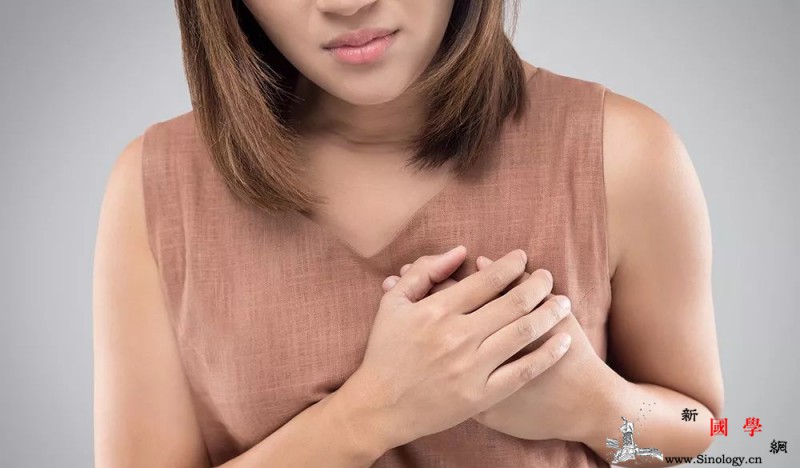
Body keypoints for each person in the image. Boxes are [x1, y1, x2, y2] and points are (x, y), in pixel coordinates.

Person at [93, 0, 724, 467]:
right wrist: (372, 413)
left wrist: (596, 406)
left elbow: (706, 434)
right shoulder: (157, 184)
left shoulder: (622, 150)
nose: (345, 3)